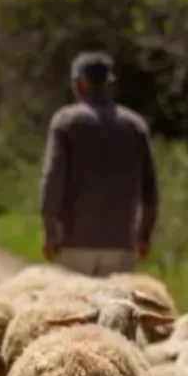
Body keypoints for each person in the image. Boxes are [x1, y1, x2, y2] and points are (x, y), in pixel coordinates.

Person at [38, 50, 160, 277]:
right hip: (121, 244)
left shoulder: (66, 122)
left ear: (79, 84)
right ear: (110, 84)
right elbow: (150, 191)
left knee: (72, 309)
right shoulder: (134, 125)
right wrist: (144, 234)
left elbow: (53, 181)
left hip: (73, 243)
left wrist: (50, 232)